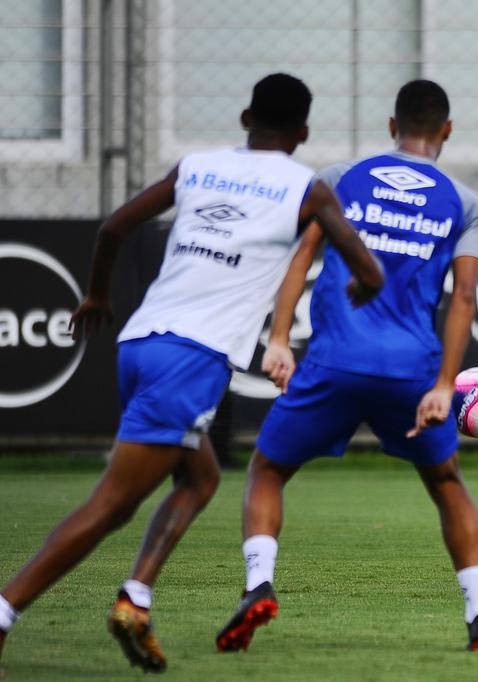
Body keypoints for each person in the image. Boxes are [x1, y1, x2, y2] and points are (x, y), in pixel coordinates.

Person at [0, 73, 384, 672]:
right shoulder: (307, 190)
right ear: (305, 132)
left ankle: (136, 599)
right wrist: (365, 284)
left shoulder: (196, 167)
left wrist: (98, 297)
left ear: (243, 118)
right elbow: (367, 267)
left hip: (141, 343)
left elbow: (113, 228)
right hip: (193, 359)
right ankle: (4, 612)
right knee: (111, 505)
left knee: (200, 477)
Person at [215, 79, 478, 653]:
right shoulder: (467, 205)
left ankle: (259, 584)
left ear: (392, 128)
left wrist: (277, 340)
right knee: (447, 483)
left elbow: (301, 262)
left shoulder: (341, 178)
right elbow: (464, 299)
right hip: (410, 373)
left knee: (267, 470)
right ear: (446, 131)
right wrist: (445, 384)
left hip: (333, 363)